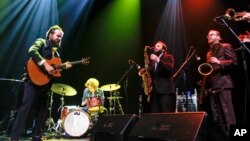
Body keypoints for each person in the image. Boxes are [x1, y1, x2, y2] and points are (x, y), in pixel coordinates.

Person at [10, 25, 72, 141]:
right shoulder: (42, 42)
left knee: (42, 112)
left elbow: (55, 73)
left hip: (45, 85)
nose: (60, 39)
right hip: (31, 82)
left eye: (61, 37)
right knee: (25, 109)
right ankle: (14, 138)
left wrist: (63, 67)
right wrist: (45, 64)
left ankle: (37, 137)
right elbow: (32, 50)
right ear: (50, 35)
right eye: (58, 36)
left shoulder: (57, 55)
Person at [206, 29, 238, 137]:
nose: (209, 36)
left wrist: (219, 62)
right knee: (218, 116)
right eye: (208, 35)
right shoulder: (209, 53)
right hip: (214, 86)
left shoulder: (226, 46)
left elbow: (234, 62)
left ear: (219, 37)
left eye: (212, 34)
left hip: (224, 84)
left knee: (228, 115)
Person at [148, 41, 175, 113]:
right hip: (155, 92)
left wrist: (158, 60)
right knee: (155, 115)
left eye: (158, 46)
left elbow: (169, 70)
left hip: (165, 91)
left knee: (166, 114)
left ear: (163, 49)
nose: (155, 47)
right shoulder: (153, 62)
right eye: (155, 46)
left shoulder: (168, 57)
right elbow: (153, 74)